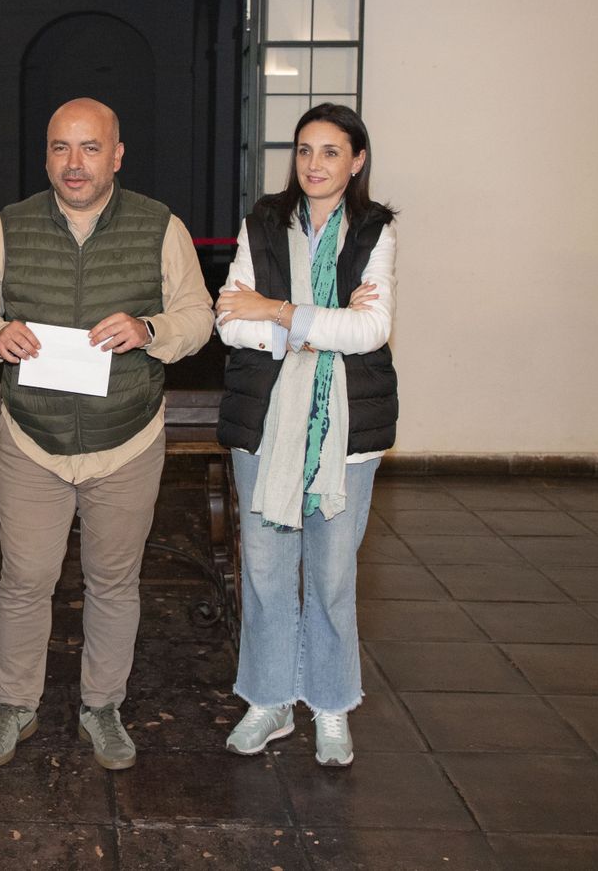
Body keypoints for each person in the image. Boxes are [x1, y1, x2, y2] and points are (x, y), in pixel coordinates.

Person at [0, 97, 214, 771]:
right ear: (46, 155)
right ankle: (15, 705)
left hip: (125, 441)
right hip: (33, 440)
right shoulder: (7, 227)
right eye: (60, 148)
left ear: (117, 155)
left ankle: (103, 706)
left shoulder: (161, 227)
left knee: (114, 583)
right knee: (24, 581)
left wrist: (150, 330)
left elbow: (198, 315)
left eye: (89, 148)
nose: (74, 163)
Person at [213, 102, 397, 768]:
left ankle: (328, 704)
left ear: (357, 161)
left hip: (347, 437)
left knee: (330, 575)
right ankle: (268, 701)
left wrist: (279, 311)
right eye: (304, 150)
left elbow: (369, 331)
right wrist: (317, 325)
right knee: (264, 572)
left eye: (330, 151)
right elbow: (231, 323)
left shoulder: (375, 231)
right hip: (263, 427)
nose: (314, 164)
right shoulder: (263, 222)